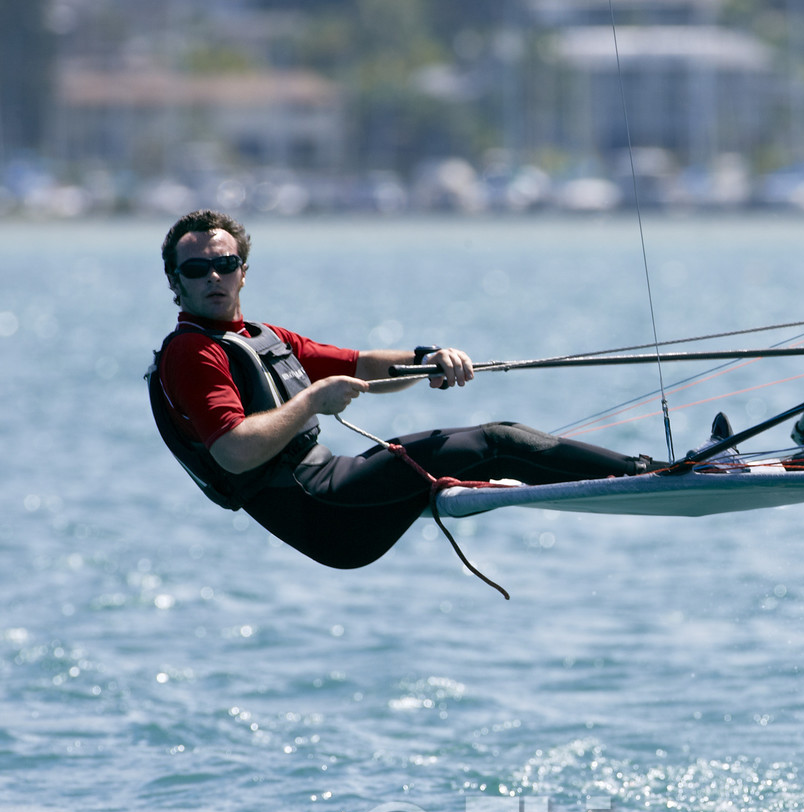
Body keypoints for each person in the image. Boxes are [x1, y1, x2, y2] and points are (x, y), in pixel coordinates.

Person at [148, 209, 657, 570]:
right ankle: (650, 474)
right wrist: (312, 399)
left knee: (492, 446)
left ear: (243, 273)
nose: (214, 276)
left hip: (331, 486)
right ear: (176, 282)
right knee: (498, 442)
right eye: (197, 269)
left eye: (225, 264)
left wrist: (425, 359)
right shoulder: (193, 353)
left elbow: (362, 365)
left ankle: (645, 471)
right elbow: (234, 453)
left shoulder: (257, 337)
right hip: (323, 512)